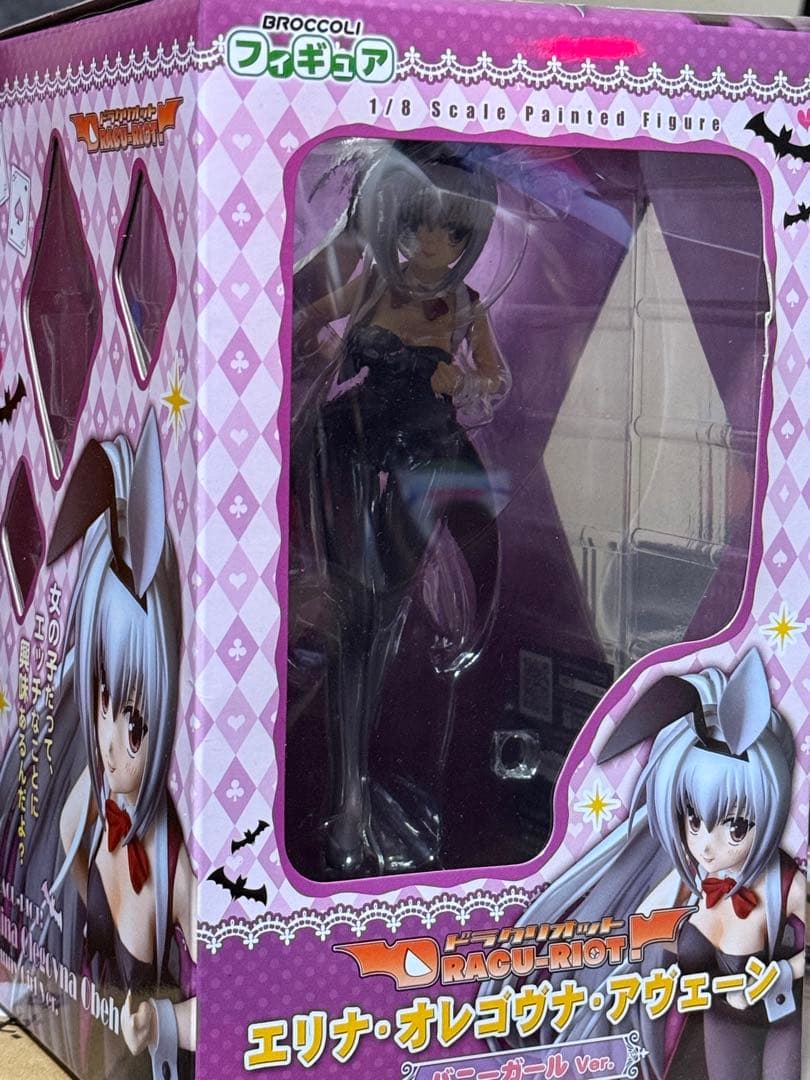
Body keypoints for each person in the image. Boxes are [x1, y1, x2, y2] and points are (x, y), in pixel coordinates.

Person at [292, 140, 518, 877]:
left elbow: (496, 382)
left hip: (427, 458)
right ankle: (349, 800)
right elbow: (300, 317)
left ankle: (357, 794)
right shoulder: (370, 287)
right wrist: (315, 347)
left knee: (381, 610)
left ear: (468, 240)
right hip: (350, 446)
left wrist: (467, 384)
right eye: (416, 226)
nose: (429, 245)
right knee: (353, 611)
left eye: (449, 233)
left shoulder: (466, 307)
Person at [480, 649, 804, 1080]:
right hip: (719, 1024)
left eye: (736, 826)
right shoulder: (687, 882)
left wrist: (783, 971)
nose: (707, 846)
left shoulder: (784, 884)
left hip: (783, 1019)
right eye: (693, 821)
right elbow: (630, 936)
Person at [0, 410, 196, 1080]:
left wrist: (168, 1022)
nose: (110, 744)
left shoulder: (173, 864)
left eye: (134, 723)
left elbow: (244, 993)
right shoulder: (83, 802)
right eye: (100, 702)